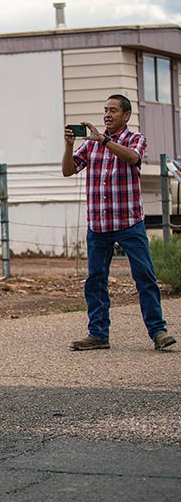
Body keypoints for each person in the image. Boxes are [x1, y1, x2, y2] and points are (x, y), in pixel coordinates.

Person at [61, 93, 176, 351]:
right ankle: (98, 334)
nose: (107, 114)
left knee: (145, 277)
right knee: (95, 281)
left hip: (128, 224)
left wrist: (104, 140)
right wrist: (69, 146)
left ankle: (158, 331)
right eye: (105, 110)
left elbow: (133, 158)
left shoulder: (136, 139)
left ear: (126, 116)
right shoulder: (90, 145)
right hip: (98, 227)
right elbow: (68, 170)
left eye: (113, 110)